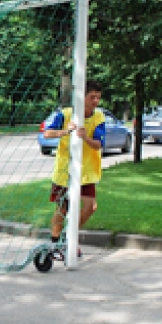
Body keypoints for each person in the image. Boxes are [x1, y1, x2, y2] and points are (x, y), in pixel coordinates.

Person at [41, 80, 106, 256]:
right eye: (92, 97)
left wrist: (85, 137)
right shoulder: (66, 114)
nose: (95, 101)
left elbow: (99, 144)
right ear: (81, 97)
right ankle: (55, 243)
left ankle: (69, 236)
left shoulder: (99, 117)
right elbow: (47, 133)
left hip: (86, 172)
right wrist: (65, 131)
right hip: (65, 171)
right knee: (61, 208)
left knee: (90, 206)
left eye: (98, 98)